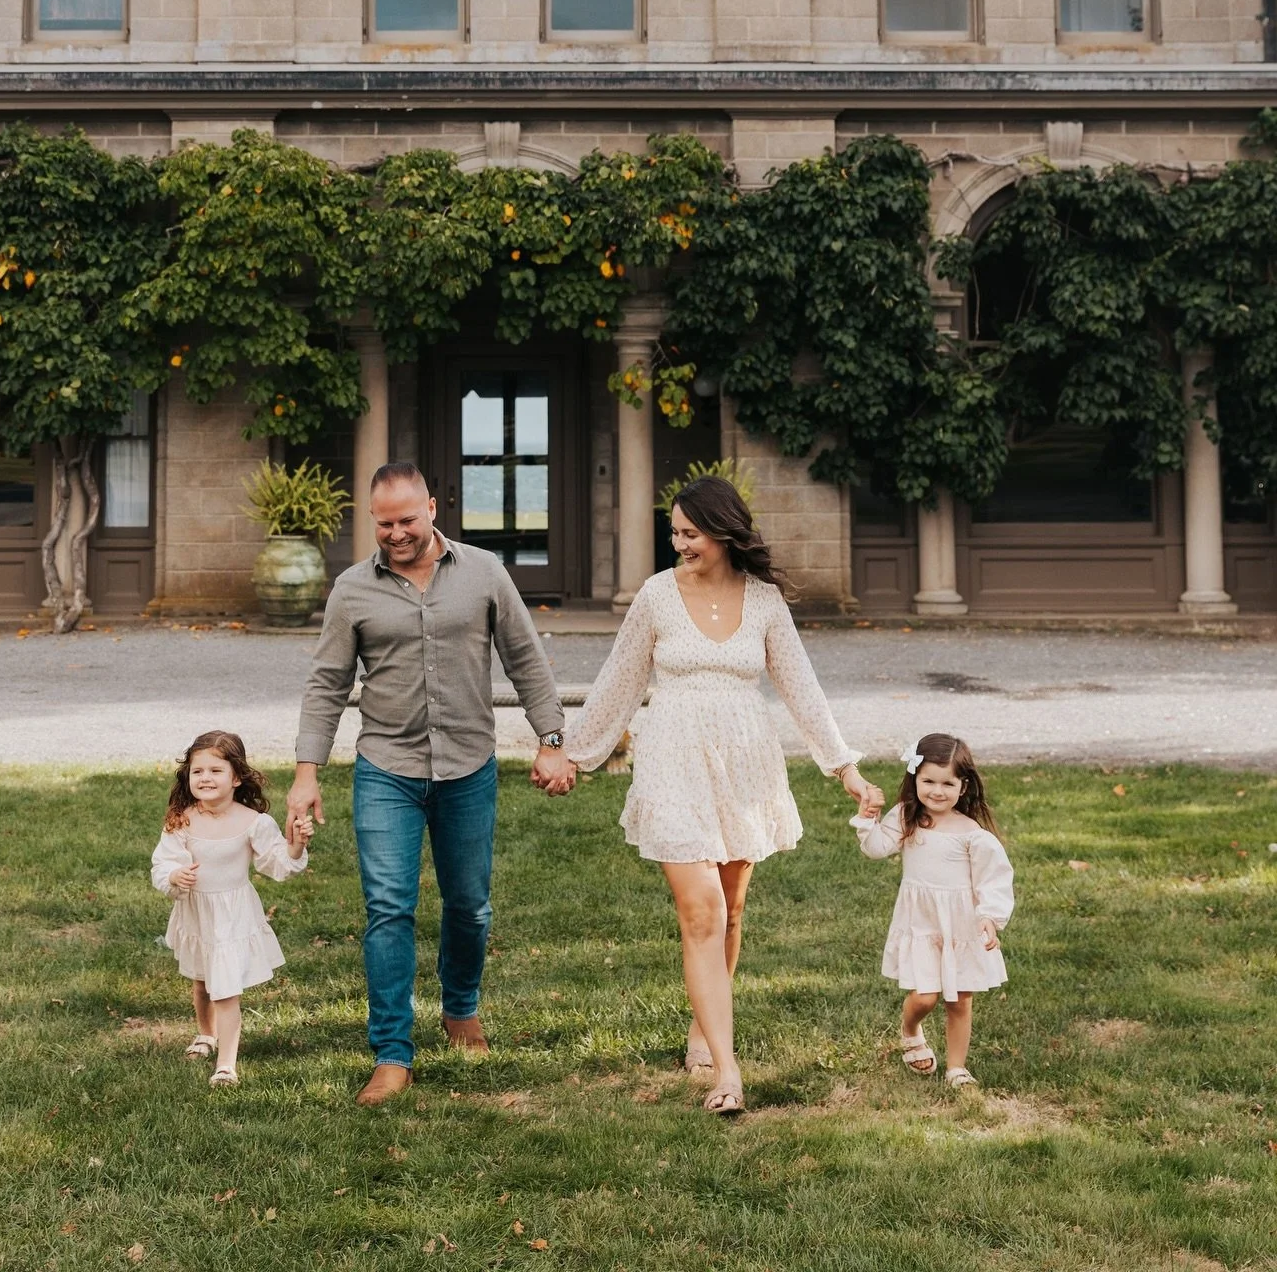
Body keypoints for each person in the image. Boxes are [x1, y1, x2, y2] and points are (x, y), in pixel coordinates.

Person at [565, 474, 884, 1115]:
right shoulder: (656, 596)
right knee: (702, 911)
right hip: (674, 763)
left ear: (724, 532)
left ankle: (704, 1031)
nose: (680, 543)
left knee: (732, 910)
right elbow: (619, 682)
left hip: (744, 765)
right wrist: (572, 754)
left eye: (691, 533)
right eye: (675, 532)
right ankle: (729, 1074)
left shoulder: (764, 601)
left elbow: (802, 688)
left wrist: (844, 767)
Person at [286, 461, 574, 1107]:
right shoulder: (353, 590)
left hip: (468, 766)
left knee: (469, 904)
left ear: (434, 508)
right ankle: (392, 1052)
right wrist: (308, 773)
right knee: (388, 909)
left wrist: (552, 741)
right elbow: (327, 684)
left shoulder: (483, 573)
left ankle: (461, 1008)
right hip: (386, 768)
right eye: (384, 523)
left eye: (407, 519)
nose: (396, 533)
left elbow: (524, 657)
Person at [151, 729, 311, 1087]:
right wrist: (176, 875)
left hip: (232, 915)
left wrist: (296, 847)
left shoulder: (252, 822)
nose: (205, 778)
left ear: (236, 777)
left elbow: (276, 863)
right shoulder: (182, 820)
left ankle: (226, 1064)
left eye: (215, 770)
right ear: (188, 776)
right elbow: (162, 864)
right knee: (202, 979)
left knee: (225, 989)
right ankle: (206, 1034)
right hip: (197, 912)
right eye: (197, 771)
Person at [854, 731, 1014, 1089]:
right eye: (928, 781)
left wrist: (989, 916)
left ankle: (957, 1068)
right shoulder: (908, 817)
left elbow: (994, 879)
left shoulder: (972, 835)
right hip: (922, 923)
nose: (937, 791)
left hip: (961, 927)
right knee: (925, 996)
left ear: (963, 786)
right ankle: (911, 1029)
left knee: (959, 999)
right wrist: (868, 817)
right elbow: (877, 848)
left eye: (947, 783)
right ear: (915, 779)